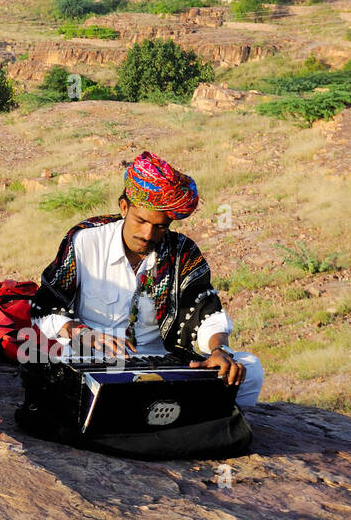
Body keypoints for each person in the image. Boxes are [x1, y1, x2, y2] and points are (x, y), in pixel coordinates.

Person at [30, 151, 264, 406]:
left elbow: (205, 312)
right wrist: (81, 333)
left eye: (160, 226)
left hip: (161, 364)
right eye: (140, 220)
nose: (148, 234)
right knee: (50, 371)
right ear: (123, 207)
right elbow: (45, 307)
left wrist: (219, 350)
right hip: (95, 363)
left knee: (249, 369)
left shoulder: (182, 252)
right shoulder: (85, 240)